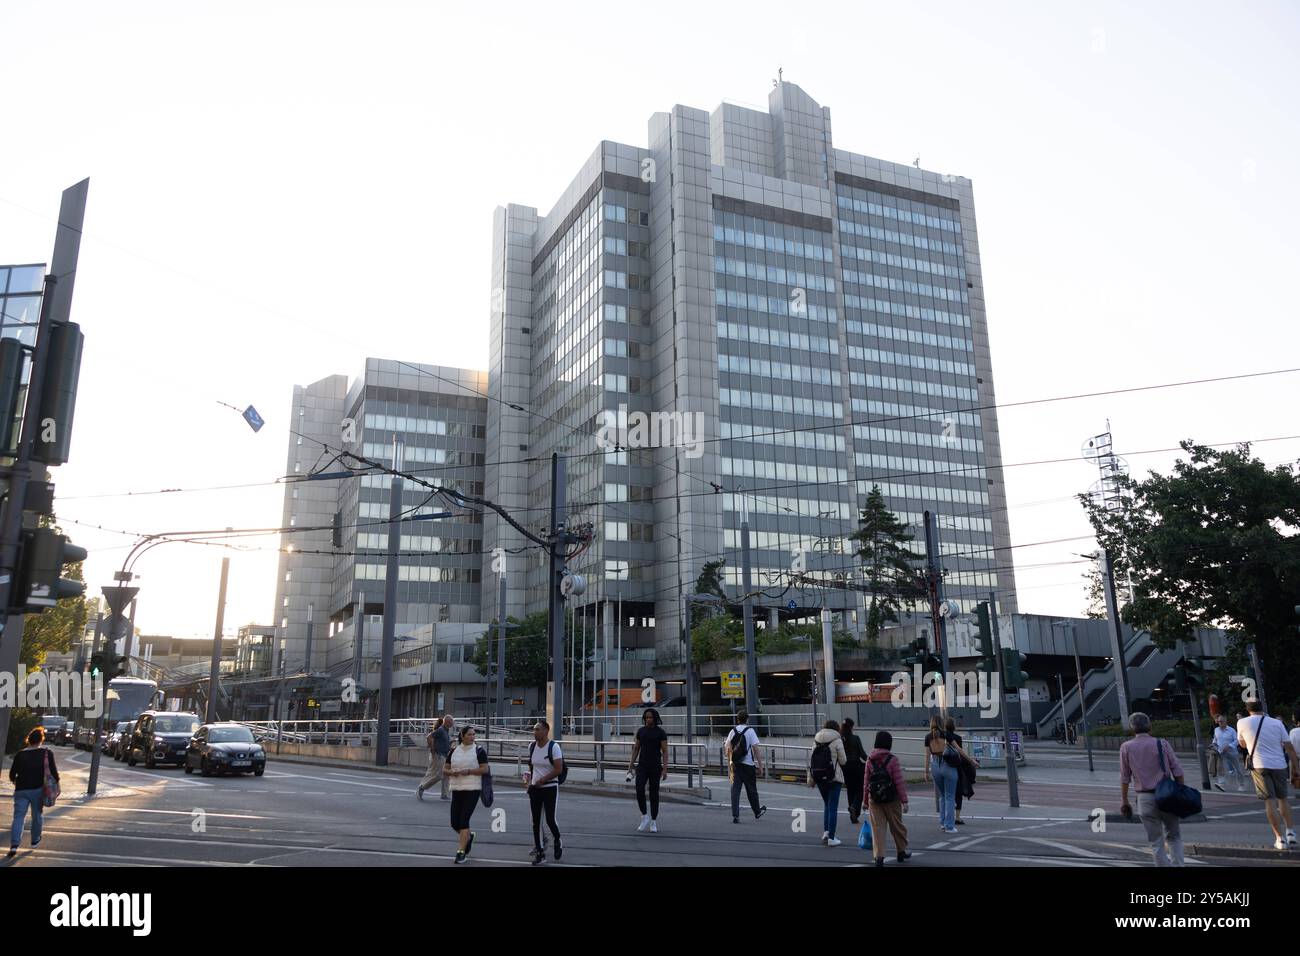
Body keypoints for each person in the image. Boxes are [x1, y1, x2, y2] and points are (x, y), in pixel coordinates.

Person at [1119, 711, 1186, 866]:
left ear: (1131, 727)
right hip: (1167, 795)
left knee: (1156, 842)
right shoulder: (1162, 743)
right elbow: (1178, 770)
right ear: (1149, 726)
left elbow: (1124, 777)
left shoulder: (1126, 747)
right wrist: (1180, 791)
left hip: (1144, 799)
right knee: (1174, 837)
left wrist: (1124, 800)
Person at [1236, 701, 1299, 850]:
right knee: (1283, 799)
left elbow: (1243, 745)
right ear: (1262, 708)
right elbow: (1289, 747)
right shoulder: (1277, 723)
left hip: (1259, 765)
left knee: (1269, 801)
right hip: (1279, 765)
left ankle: (1280, 839)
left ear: (1248, 710)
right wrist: (1296, 767)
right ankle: (1290, 833)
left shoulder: (1242, 722)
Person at [9, 726, 58, 857]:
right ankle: (35, 840)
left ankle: (14, 845)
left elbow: (12, 774)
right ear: (41, 740)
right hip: (37, 790)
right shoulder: (46, 753)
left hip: (21, 790)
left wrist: (15, 781)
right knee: (37, 815)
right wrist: (57, 785)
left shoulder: (20, 754)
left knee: (18, 817)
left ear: (29, 739)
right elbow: (53, 772)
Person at [864, 730, 910, 866]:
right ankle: (901, 851)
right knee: (897, 826)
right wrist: (904, 801)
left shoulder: (870, 760)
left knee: (878, 828)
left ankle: (879, 857)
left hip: (875, 799)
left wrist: (865, 801)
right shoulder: (893, 760)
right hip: (892, 799)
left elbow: (866, 782)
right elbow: (899, 782)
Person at [445, 725, 490, 863]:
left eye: (473, 734)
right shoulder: (454, 750)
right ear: (462, 736)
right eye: (469, 734)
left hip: (473, 789)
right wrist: (452, 772)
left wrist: (469, 771)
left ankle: (461, 852)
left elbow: (485, 769)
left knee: (464, 820)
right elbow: (445, 769)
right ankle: (468, 837)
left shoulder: (479, 750)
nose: (472, 737)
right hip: (457, 788)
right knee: (454, 823)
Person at [524, 720, 564, 864]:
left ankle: (557, 839)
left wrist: (544, 779)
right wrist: (529, 778)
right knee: (535, 822)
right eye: (534, 730)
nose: (535, 732)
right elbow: (532, 767)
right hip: (535, 788)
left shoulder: (554, 747)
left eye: (538, 729)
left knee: (550, 819)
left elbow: (558, 769)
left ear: (546, 731)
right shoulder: (532, 746)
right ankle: (540, 853)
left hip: (550, 788)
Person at [627, 708, 669, 832]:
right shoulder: (641, 731)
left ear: (655, 718)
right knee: (639, 789)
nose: (648, 719)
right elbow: (636, 748)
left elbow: (665, 751)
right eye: (646, 717)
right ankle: (644, 816)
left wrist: (665, 769)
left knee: (654, 794)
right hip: (642, 766)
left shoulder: (661, 733)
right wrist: (630, 764)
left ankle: (653, 821)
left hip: (655, 767)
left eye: (650, 717)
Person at [724, 710, 767, 824]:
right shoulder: (750, 731)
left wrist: (729, 768)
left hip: (736, 765)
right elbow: (756, 749)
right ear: (747, 719)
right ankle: (757, 812)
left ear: (737, 719)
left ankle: (736, 815)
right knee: (751, 790)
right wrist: (760, 766)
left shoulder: (732, 732)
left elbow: (727, 750)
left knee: (735, 791)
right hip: (748, 765)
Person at [810, 719, 848, 846]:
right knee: (833, 807)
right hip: (833, 777)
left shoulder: (816, 739)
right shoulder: (837, 740)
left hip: (819, 777)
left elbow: (812, 759)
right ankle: (831, 838)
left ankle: (826, 832)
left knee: (826, 804)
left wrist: (811, 779)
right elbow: (843, 761)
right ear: (836, 729)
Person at [923, 715, 963, 834]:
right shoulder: (946, 735)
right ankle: (949, 826)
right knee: (950, 796)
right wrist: (971, 760)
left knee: (942, 796)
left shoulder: (928, 737)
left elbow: (926, 756)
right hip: (947, 765)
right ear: (941, 723)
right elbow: (959, 750)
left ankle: (942, 823)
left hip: (935, 765)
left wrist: (926, 771)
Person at [945, 716, 979, 825]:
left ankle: (946, 816)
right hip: (956, 766)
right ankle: (957, 817)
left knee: (947, 793)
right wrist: (971, 761)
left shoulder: (942, 736)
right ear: (954, 726)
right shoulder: (957, 738)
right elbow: (960, 752)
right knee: (958, 792)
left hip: (944, 766)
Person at [418, 713, 455, 801]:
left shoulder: (446, 731)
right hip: (439, 755)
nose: (452, 723)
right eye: (451, 721)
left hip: (445, 755)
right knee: (439, 775)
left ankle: (444, 794)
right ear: (446, 722)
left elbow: (442, 742)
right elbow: (429, 737)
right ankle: (422, 787)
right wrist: (433, 749)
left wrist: (450, 744)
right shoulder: (441, 730)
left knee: (446, 775)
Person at [840, 718, 868, 825]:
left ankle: (852, 811)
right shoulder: (855, 738)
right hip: (856, 767)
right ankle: (855, 809)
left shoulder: (840, 739)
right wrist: (871, 761)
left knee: (850, 790)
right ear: (851, 727)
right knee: (860, 789)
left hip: (845, 768)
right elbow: (862, 754)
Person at [1212, 713, 1247, 793]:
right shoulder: (1216, 730)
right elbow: (1215, 739)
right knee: (1222, 769)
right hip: (1221, 752)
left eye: (1221, 721)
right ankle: (1222, 784)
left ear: (1225, 721)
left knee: (1237, 769)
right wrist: (1213, 744)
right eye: (1219, 721)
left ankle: (1241, 784)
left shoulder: (1231, 730)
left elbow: (1237, 741)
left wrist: (1229, 746)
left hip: (1232, 753)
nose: (1219, 723)